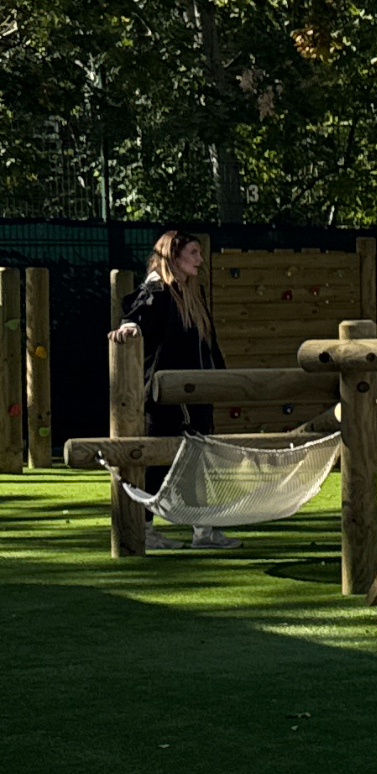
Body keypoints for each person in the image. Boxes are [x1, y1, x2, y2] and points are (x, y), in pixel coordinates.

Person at [108, 228, 230, 547]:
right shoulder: (158, 290)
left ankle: (203, 531)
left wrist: (220, 378)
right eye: (193, 253)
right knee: (157, 461)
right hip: (164, 395)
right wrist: (129, 326)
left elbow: (207, 343)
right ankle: (144, 529)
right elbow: (137, 312)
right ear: (172, 257)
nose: (200, 260)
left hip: (198, 392)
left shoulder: (193, 294)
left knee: (199, 459)